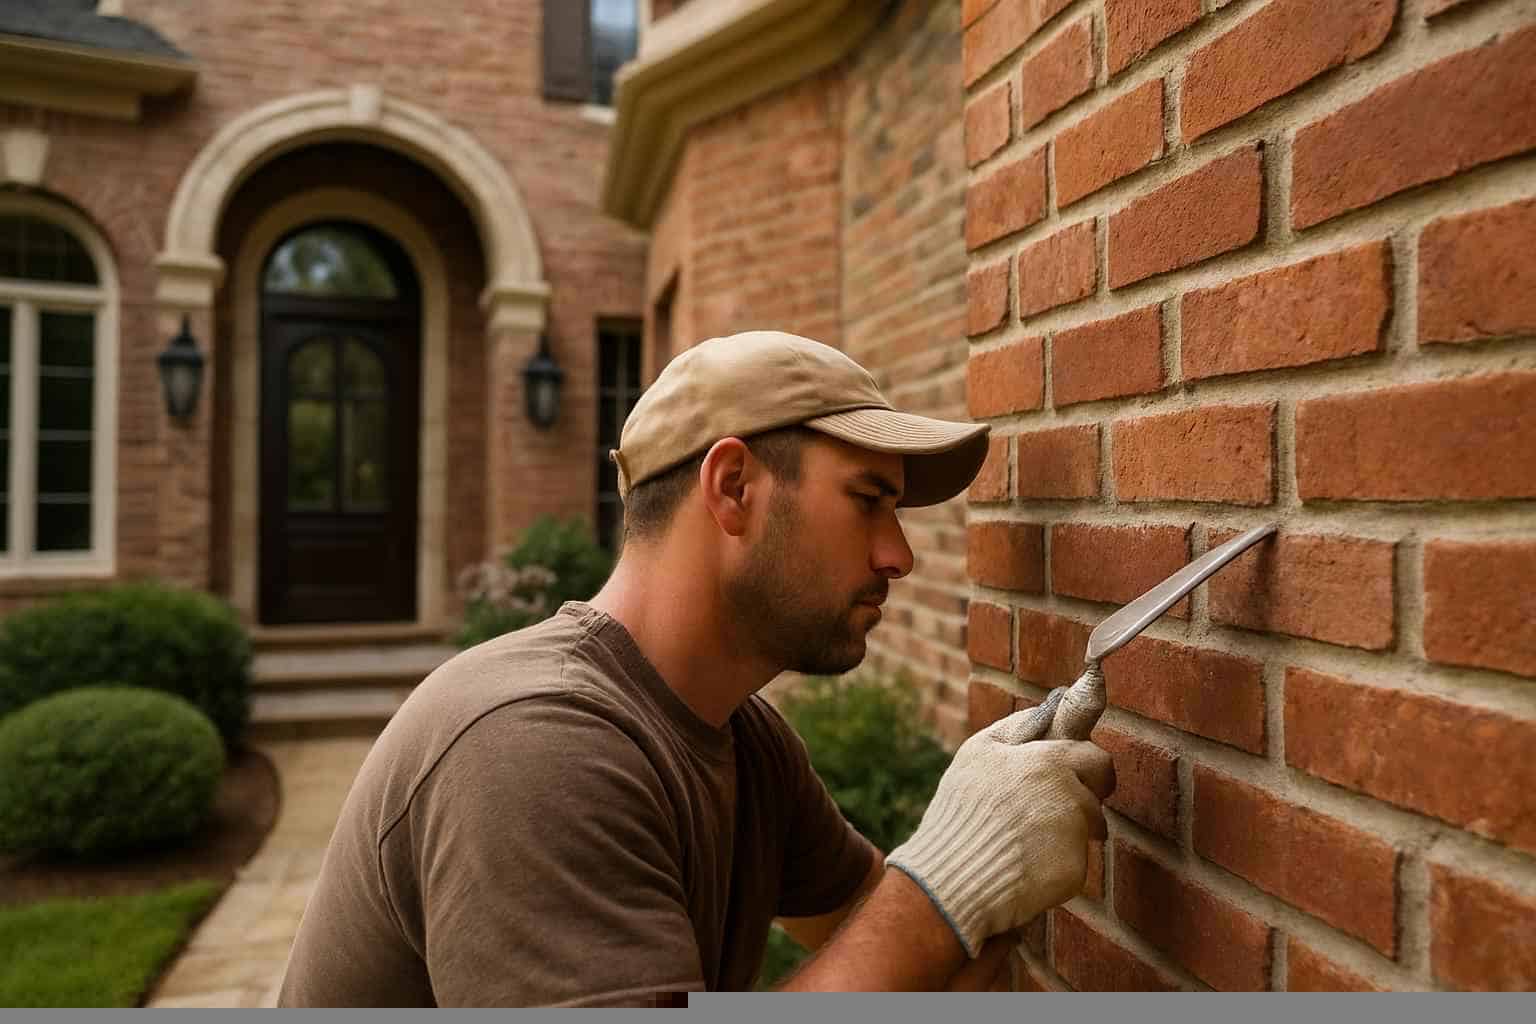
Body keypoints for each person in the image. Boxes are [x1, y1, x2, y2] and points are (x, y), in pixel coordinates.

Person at [277, 330, 1115, 1005]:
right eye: (869, 500)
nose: (898, 555)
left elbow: (909, 957)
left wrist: (998, 849)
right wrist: (946, 888)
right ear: (733, 487)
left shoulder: (747, 744)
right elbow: (916, 928)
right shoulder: (529, 746)